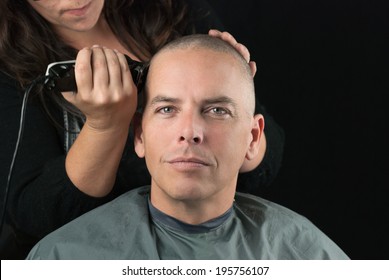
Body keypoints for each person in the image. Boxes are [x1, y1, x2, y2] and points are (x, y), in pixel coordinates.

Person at [0, 1, 284, 259]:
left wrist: (232, 84)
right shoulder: (8, 64)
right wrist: (105, 126)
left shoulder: (176, 10)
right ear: (139, 134)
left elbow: (265, 158)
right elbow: (40, 219)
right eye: (166, 109)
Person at [27, 34, 348, 260]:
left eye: (217, 110)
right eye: (167, 109)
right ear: (139, 135)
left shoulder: (308, 258)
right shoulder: (62, 260)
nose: (190, 132)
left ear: (252, 138)